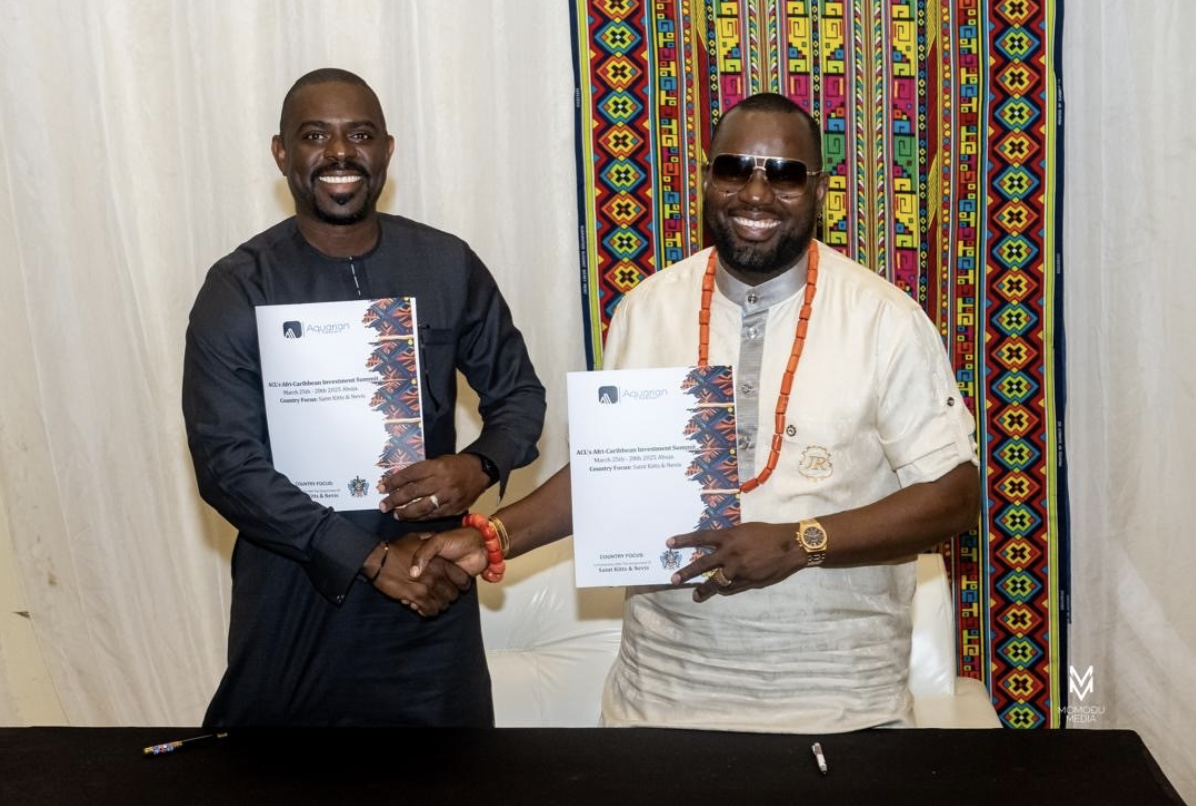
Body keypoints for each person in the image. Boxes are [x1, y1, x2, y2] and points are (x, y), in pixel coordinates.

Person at [409, 93, 980, 733]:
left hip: (837, 705)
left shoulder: (884, 321)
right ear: (707, 179)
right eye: (734, 169)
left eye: (785, 175)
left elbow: (954, 495)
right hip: (659, 702)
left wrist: (800, 543)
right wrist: (491, 535)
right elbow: (610, 474)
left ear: (819, 190)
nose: (756, 194)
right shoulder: (647, 310)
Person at [182, 68, 545, 727]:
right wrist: (368, 558)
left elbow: (520, 396)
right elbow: (225, 463)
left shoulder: (446, 264)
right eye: (314, 135)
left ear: (387, 150)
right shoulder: (239, 287)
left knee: (450, 775)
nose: (340, 152)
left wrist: (480, 465)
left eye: (360, 135)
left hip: (433, 584)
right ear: (281, 153)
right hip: (295, 590)